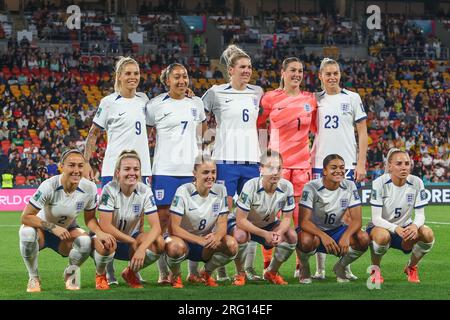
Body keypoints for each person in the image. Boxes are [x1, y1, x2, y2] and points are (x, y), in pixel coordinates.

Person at [83, 56, 152, 285]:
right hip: (113, 170)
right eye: (128, 73)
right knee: (109, 221)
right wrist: (86, 162)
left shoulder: (145, 100)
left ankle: (133, 268)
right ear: (119, 76)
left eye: (136, 73)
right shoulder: (109, 102)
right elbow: (93, 133)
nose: (133, 77)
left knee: (138, 221)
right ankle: (108, 268)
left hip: (142, 169)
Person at [200, 44, 264, 283]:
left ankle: (246, 269)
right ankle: (221, 265)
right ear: (231, 69)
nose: (247, 71)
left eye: (249, 67)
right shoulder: (216, 92)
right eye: (242, 67)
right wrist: (206, 143)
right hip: (225, 161)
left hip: (251, 162)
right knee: (223, 215)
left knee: (251, 217)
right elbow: (199, 115)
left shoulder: (257, 92)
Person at [18, 149, 115, 292]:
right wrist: (52, 227)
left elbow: (89, 219)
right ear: (62, 166)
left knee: (85, 242)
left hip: (66, 233)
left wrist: (99, 233)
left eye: (80, 166)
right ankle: (33, 277)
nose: (76, 170)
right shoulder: (48, 186)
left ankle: (71, 273)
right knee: (26, 233)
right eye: (72, 165)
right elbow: (25, 217)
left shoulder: (90, 188)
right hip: (43, 231)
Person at [146, 63, 206, 284]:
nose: (182, 81)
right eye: (177, 77)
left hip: (190, 171)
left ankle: (192, 271)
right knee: (162, 223)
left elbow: (201, 132)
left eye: (185, 76)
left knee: (191, 220)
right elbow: (145, 133)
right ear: (167, 81)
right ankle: (164, 273)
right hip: (164, 170)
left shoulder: (196, 103)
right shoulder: (154, 106)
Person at [256, 57, 316, 277]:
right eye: (292, 70)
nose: (297, 74)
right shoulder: (270, 98)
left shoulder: (310, 100)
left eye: (300, 71)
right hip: (276, 165)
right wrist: (264, 155)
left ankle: (300, 264)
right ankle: (267, 262)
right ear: (282, 72)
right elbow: (259, 126)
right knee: (270, 214)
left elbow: (317, 130)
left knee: (299, 216)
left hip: (301, 165)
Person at [310, 58, 368, 280]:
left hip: (348, 165)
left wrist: (361, 163)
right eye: (328, 74)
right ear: (321, 76)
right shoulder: (314, 100)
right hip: (319, 165)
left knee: (346, 217)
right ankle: (320, 269)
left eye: (336, 73)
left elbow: (362, 132)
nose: (332, 77)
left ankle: (345, 265)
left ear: (340, 75)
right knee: (319, 217)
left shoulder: (352, 98)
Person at [93, 150, 164, 290]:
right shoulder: (109, 189)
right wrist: (133, 241)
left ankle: (130, 272)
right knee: (105, 241)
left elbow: (156, 227)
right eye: (127, 169)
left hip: (132, 241)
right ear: (118, 172)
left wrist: (142, 248)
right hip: (111, 240)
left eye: (136, 169)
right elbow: (105, 225)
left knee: (159, 242)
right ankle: (101, 275)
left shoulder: (145, 191)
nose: (132, 173)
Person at [164, 154, 237, 288]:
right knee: (174, 247)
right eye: (205, 172)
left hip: (206, 244)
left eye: (213, 172)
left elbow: (222, 223)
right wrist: (199, 240)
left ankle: (206, 272)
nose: (210, 176)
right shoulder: (183, 191)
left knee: (232, 245)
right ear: (194, 174)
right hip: (183, 241)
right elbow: (173, 228)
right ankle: (175, 275)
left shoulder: (221, 190)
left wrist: (217, 236)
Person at [296, 154, 370, 284]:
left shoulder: (350, 185)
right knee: (306, 241)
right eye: (333, 167)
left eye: (342, 167)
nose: (339, 171)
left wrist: (346, 236)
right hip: (314, 231)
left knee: (363, 238)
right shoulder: (311, 187)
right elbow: (303, 222)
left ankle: (340, 267)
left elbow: (357, 220)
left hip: (337, 230)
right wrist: (323, 236)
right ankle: (304, 267)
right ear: (324, 171)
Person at [228, 150, 297, 285]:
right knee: (241, 236)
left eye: (279, 168)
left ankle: (271, 272)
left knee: (292, 236)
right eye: (270, 167)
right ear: (261, 169)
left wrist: (278, 233)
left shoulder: (287, 186)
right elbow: (241, 220)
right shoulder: (250, 185)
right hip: (244, 224)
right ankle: (240, 274)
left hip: (268, 224)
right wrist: (265, 234)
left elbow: (287, 218)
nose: (275, 172)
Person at [367, 148, 434, 284]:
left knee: (427, 234)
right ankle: (375, 270)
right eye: (399, 164)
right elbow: (376, 218)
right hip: (381, 227)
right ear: (390, 166)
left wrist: (415, 226)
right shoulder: (379, 183)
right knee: (382, 236)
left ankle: (411, 267)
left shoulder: (417, 182)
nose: (404, 167)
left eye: (407, 163)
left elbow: (420, 214)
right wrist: (396, 228)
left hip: (405, 228)